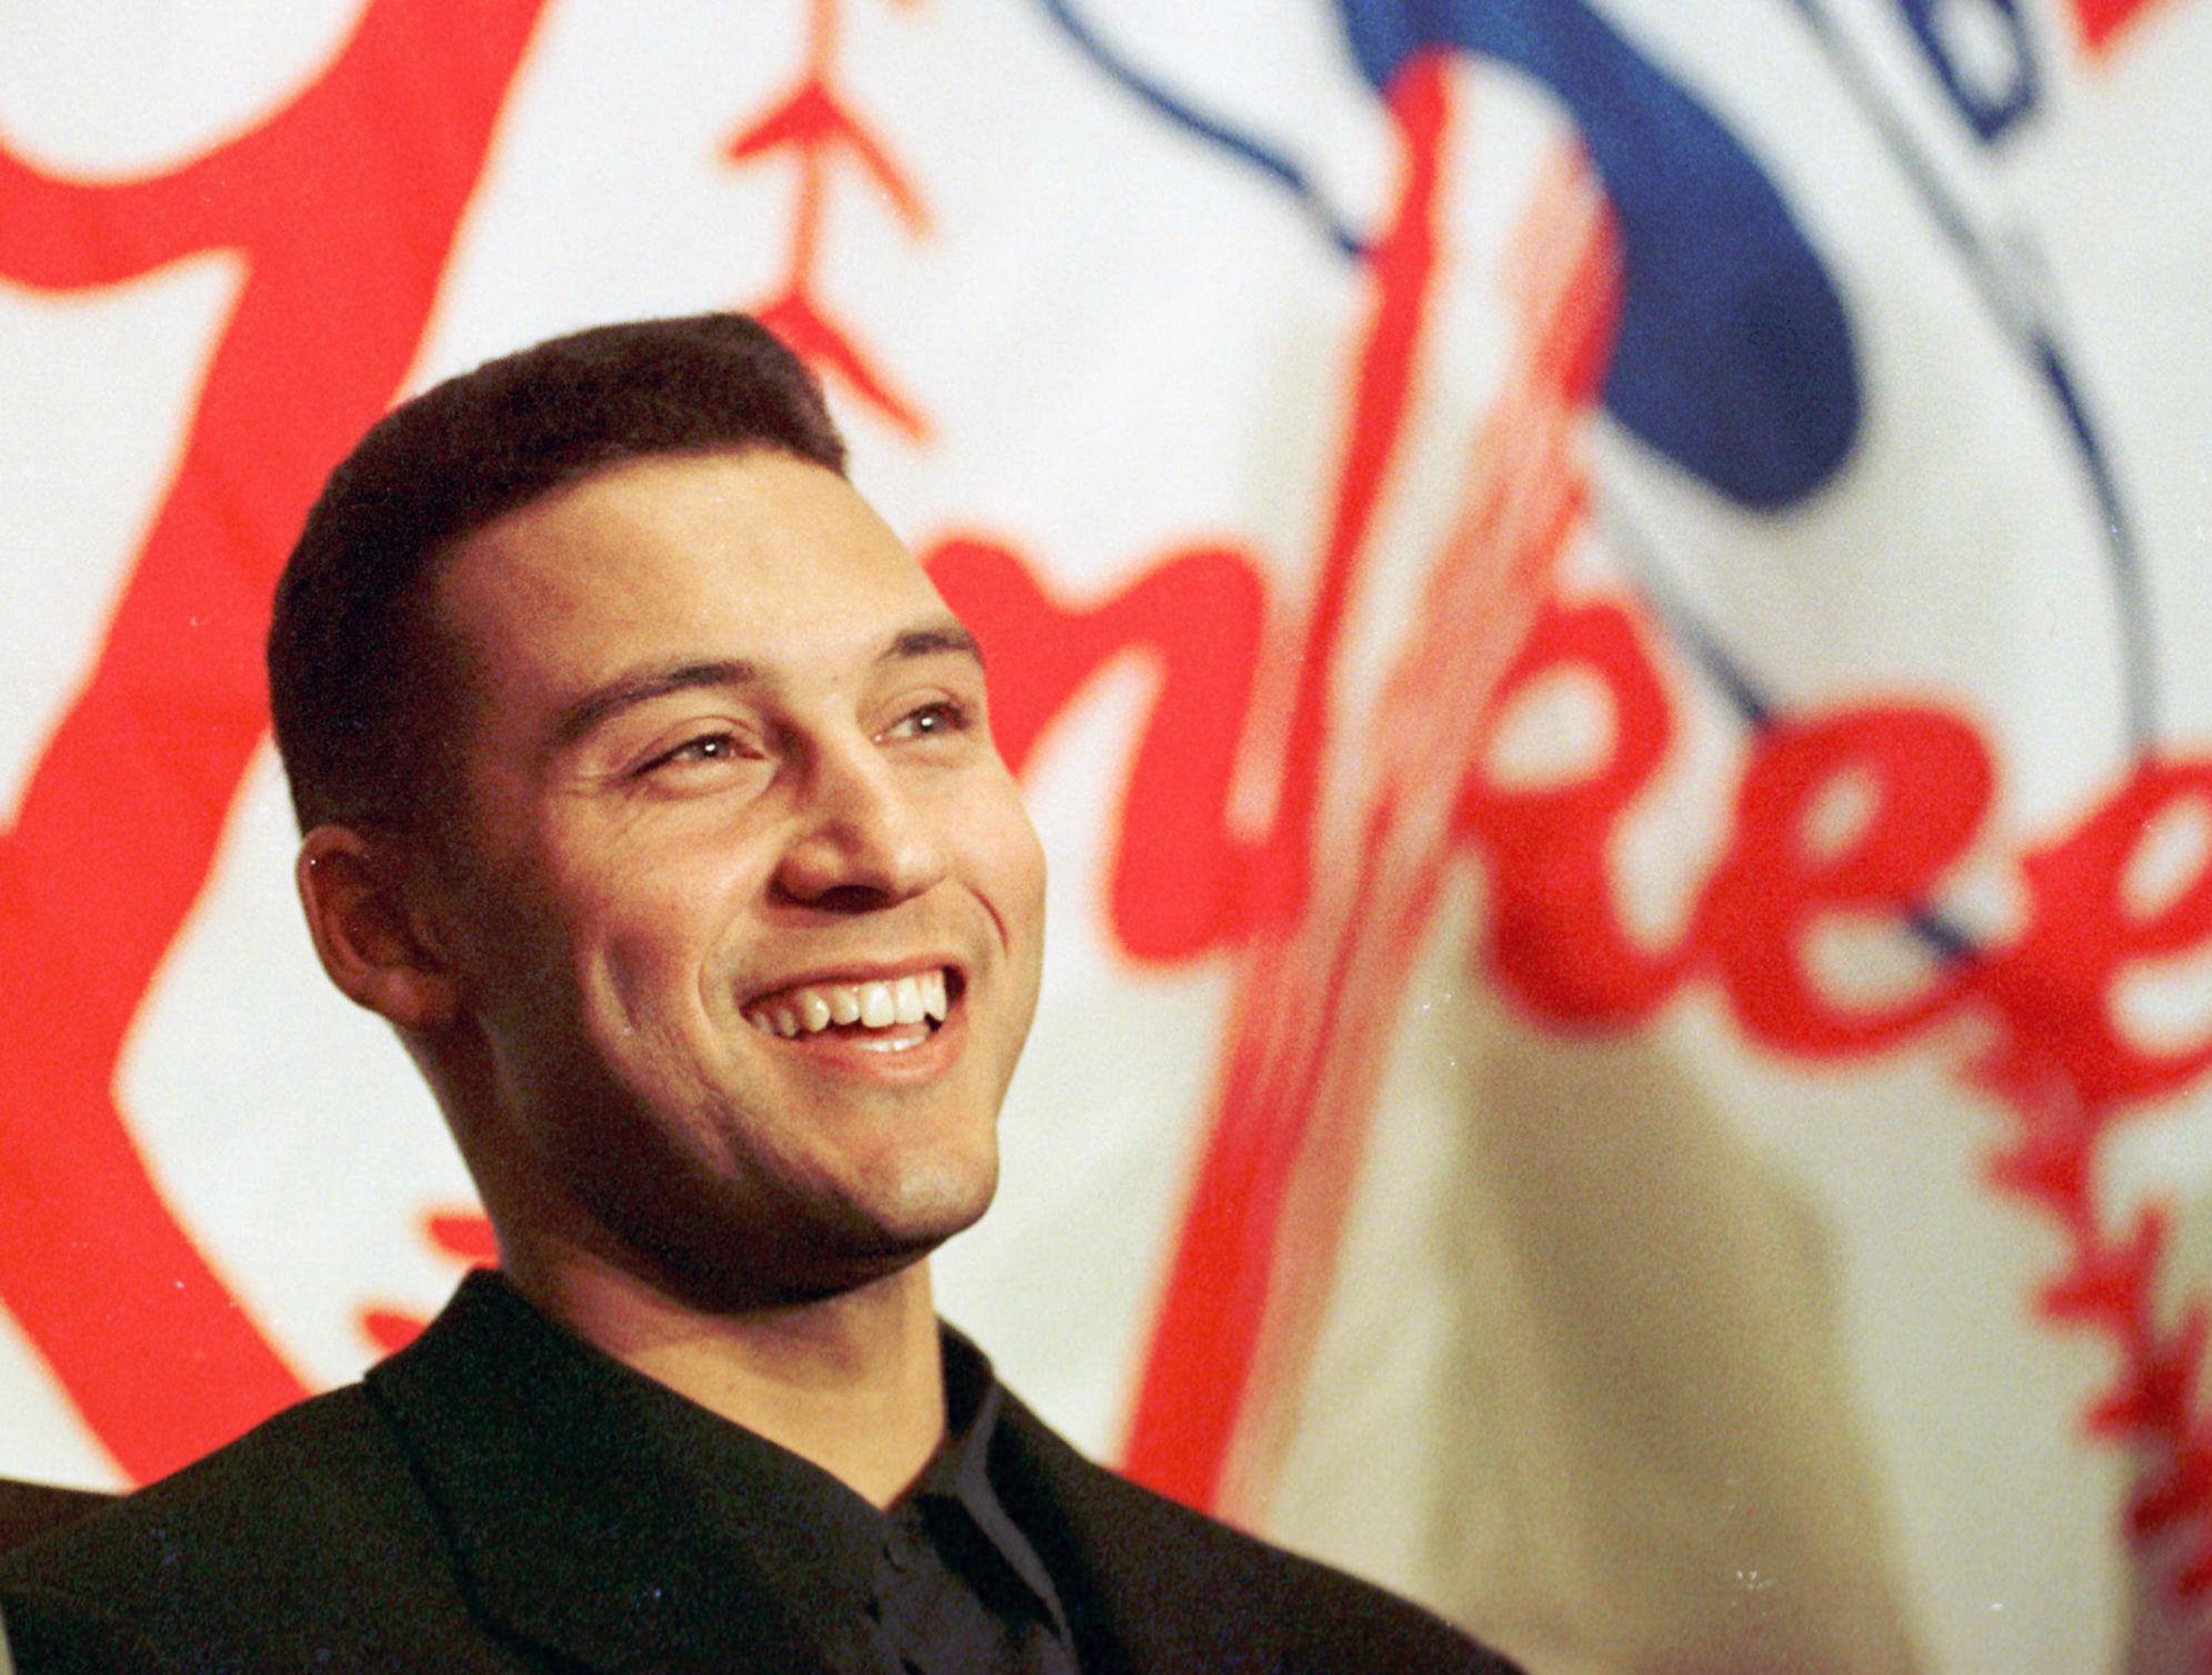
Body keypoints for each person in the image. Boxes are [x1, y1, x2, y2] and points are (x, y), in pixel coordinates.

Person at [0, 315, 1521, 1673]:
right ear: (386, 924)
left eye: (927, 716)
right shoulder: (153, 1639)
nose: (888, 840)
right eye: (702, 750)